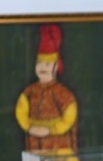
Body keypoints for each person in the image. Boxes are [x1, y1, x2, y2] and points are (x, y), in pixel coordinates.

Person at [15, 24, 78, 153]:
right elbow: (21, 111)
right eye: (39, 63)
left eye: (48, 64)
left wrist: (51, 130)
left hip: (58, 144)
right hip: (35, 142)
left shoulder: (63, 93)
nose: (43, 67)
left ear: (56, 67)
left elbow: (70, 115)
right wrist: (29, 127)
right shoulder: (29, 92)